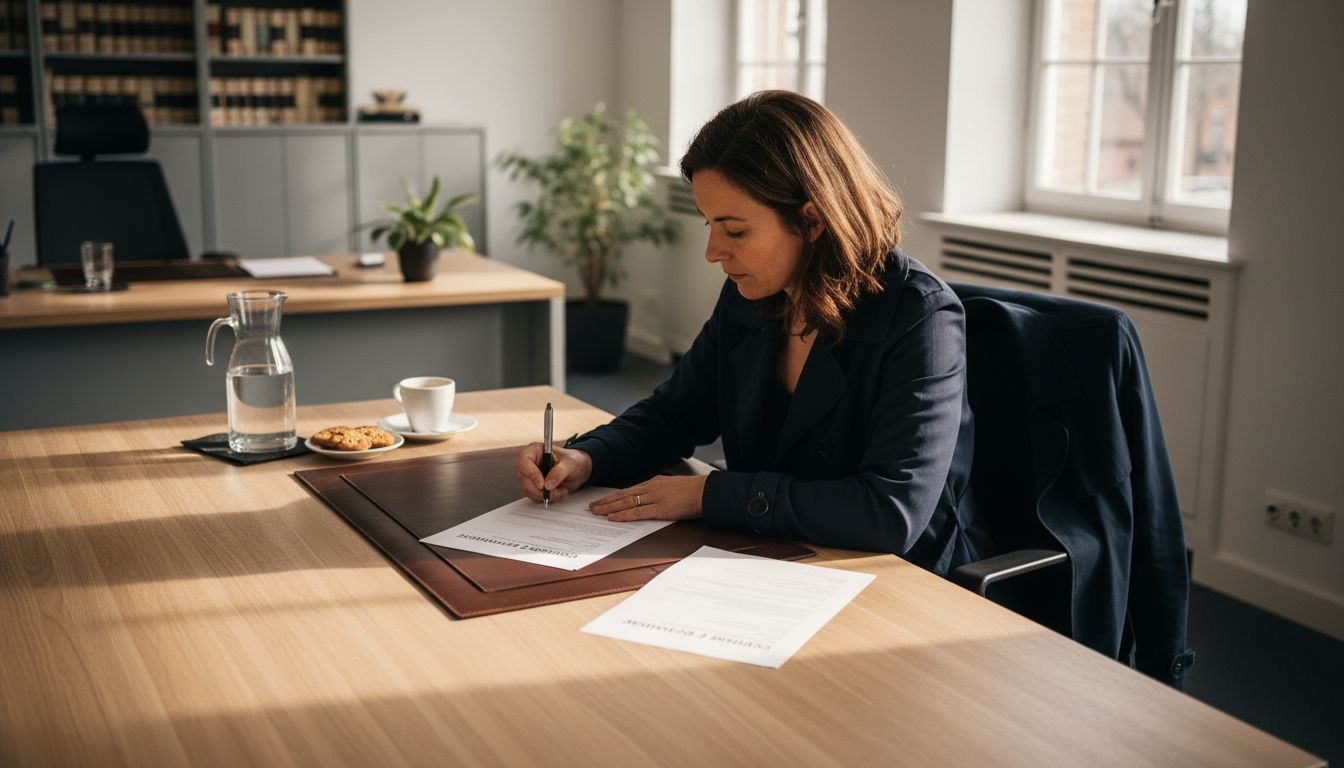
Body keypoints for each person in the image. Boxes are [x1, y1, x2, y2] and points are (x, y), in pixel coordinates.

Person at [514, 90, 989, 575]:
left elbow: (890, 513)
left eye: (735, 231)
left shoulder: (920, 318)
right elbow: (676, 413)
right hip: (768, 557)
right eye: (709, 224)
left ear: (812, 220)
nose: (713, 251)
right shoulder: (756, 294)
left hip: (889, 578)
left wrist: (709, 493)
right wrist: (587, 457)